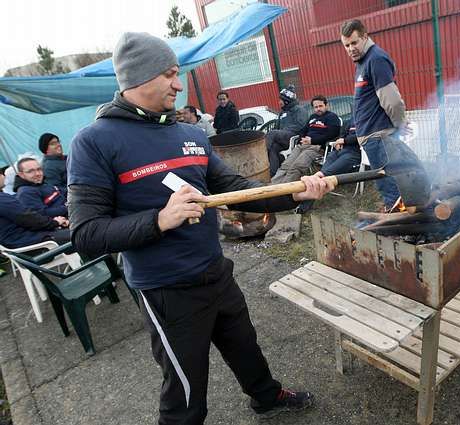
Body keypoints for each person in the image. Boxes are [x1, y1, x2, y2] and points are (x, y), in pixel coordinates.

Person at [67, 32, 334, 425]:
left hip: (215, 272)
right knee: (185, 392)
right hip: (166, 290)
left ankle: (266, 397)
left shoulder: (191, 135)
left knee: (245, 347)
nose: (179, 84)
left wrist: (294, 193)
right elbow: (86, 234)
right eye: (171, 74)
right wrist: (160, 220)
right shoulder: (94, 142)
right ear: (140, 77)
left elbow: (237, 191)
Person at [340, 19, 427, 212]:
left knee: (390, 187)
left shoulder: (376, 59)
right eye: (346, 45)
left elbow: (392, 99)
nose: (350, 49)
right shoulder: (362, 62)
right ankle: (403, 218)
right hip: (372, 137)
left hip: (380, 136)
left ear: (365, 37)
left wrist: (400, 122)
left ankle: (404, 228)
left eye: (354, 43)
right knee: (386, 183)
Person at [272, 95, 341, 185]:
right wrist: (302, 139)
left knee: (297, 166)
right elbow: (303, 130)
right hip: (303, 145)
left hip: (317, 148)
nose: (318, 109)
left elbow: (333, 134)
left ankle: (285, 189)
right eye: (316, 107)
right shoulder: (312, 117)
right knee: (285, 165)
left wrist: (312, 141)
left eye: (320, 106)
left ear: (326, 106)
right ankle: (272, 186)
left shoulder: (332, 117)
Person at [0, 169, 69, 248]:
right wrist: (55, 223)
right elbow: (29, 219)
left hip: (20, 241)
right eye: (0, 174)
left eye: (39, 169)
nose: (3, 176)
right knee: (81, 235)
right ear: (21, 174)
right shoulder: (4, 199)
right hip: (31, 242)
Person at [266, 85, 309, 176]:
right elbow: (276, 128)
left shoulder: (299, 110)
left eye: (280, 100)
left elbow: (300, 125)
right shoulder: (282, 113)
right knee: (273, 148)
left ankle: (262, 152)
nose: (279, 102)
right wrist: (279, 132)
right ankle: (272, 175)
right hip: (282, 139)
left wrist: (283, 131)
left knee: (272, 134)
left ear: (287, 100)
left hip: (293, 138)